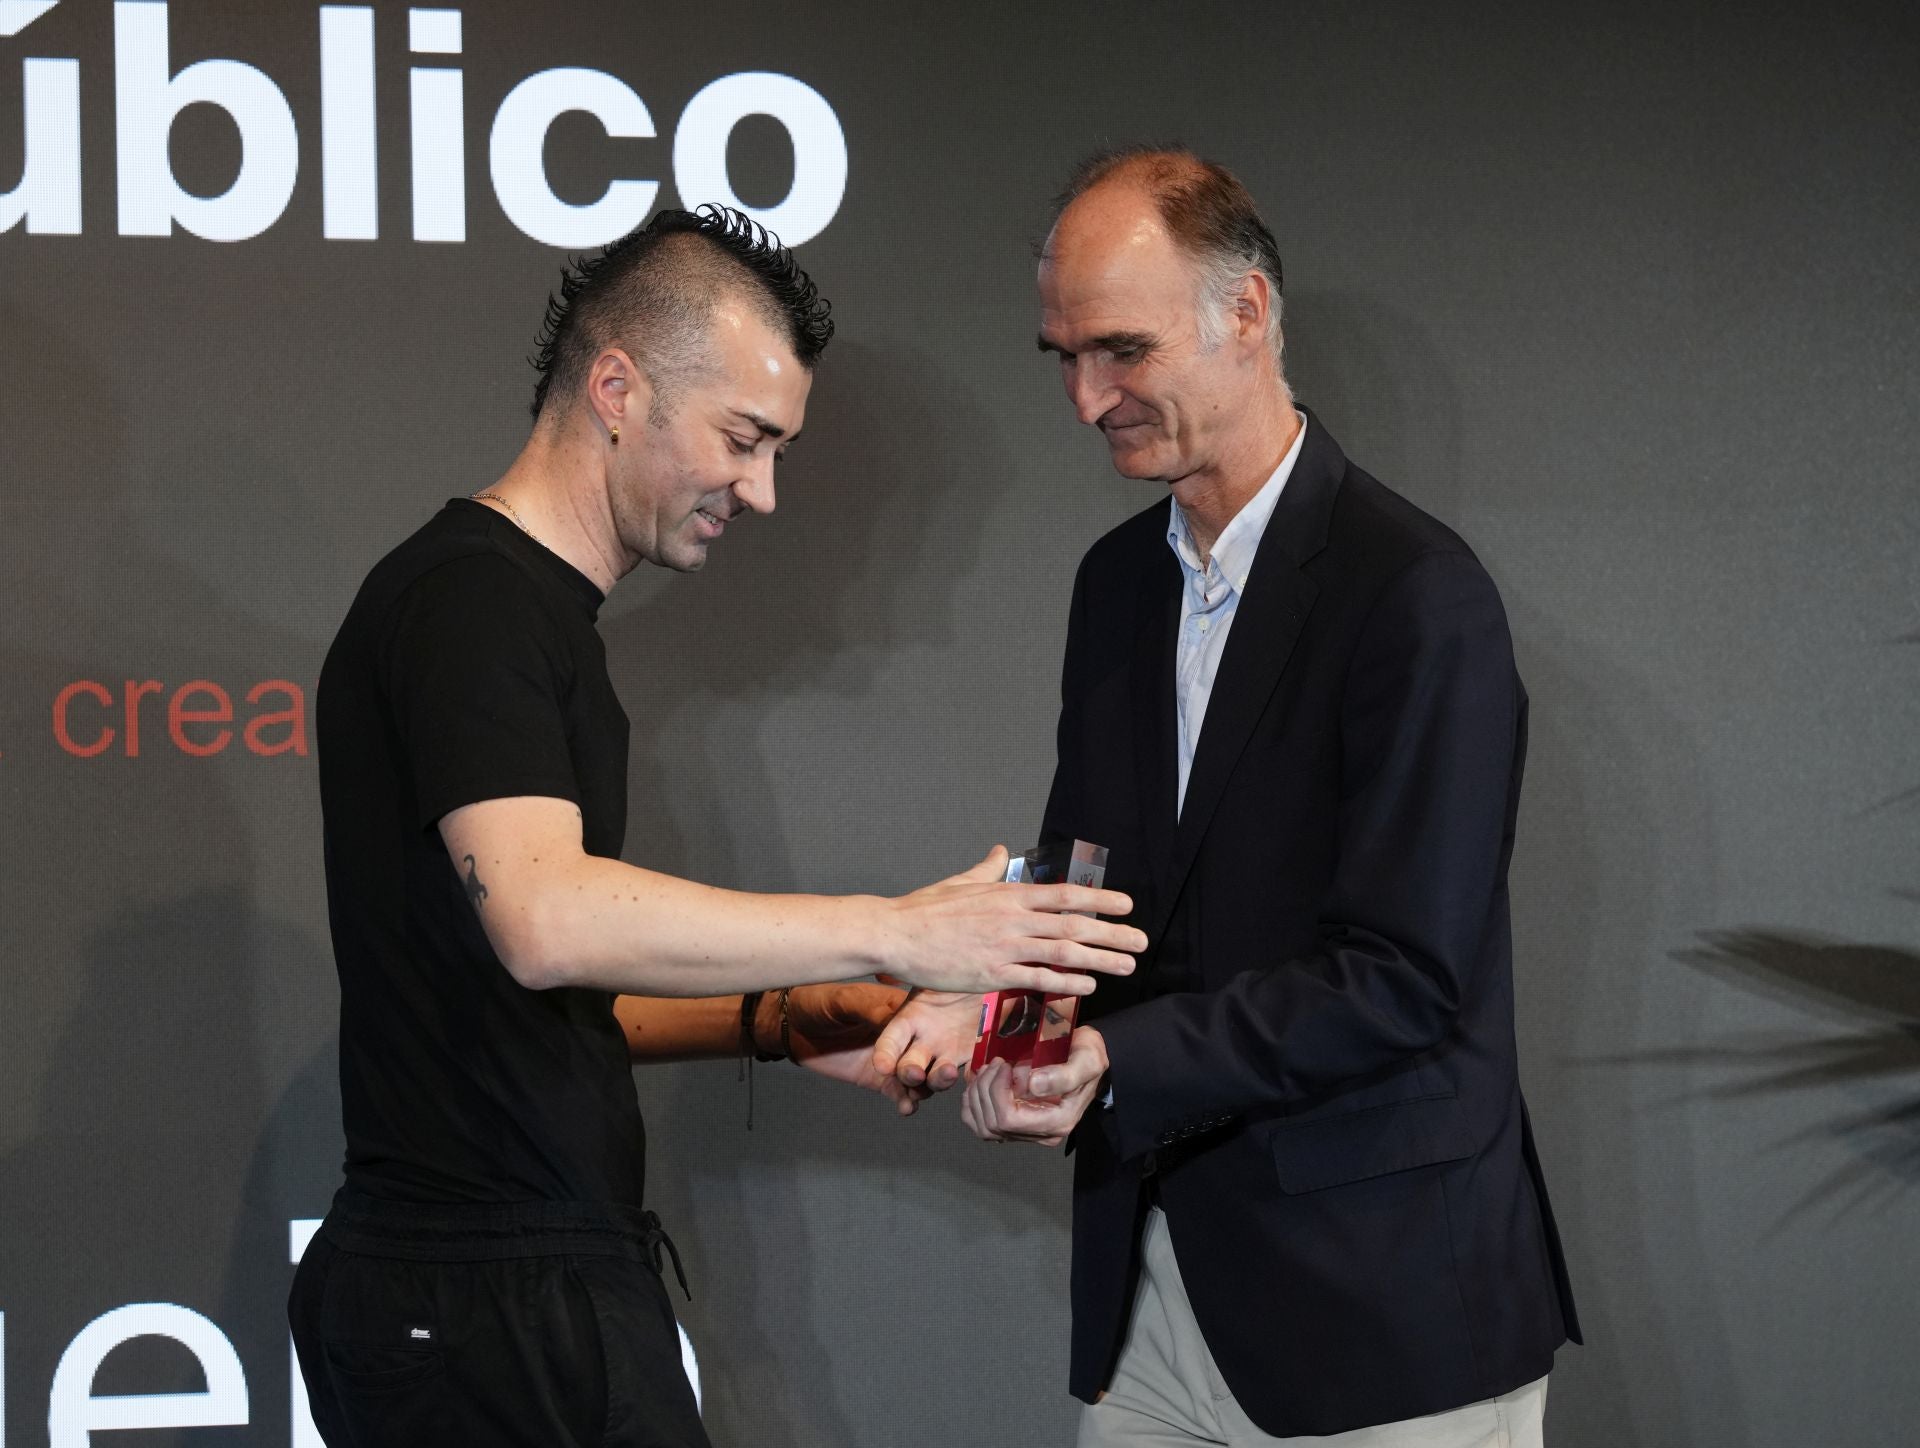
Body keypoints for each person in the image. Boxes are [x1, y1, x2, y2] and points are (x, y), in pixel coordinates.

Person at [288, 203, 1144, 1448]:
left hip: (517, 1283)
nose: (764, 489)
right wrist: (903, 933)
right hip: (481, 1299)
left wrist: (792, 1017)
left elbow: (542, 997)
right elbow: (547, 922)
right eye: (745, 439)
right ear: (618, 386)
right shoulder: (472, 604)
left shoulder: (525, 617)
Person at [957, 149, 1581, 1445]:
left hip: (1387, 1309)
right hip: (1153, 1292)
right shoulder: (1112, 586)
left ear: (1246, 312)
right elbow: (1098, 893)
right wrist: (1003, 1024)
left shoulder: (1417, 596)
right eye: (1062, 357)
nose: (1086, 399)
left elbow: (1406, 977)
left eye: (1119, 351)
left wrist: (1110, 1059)